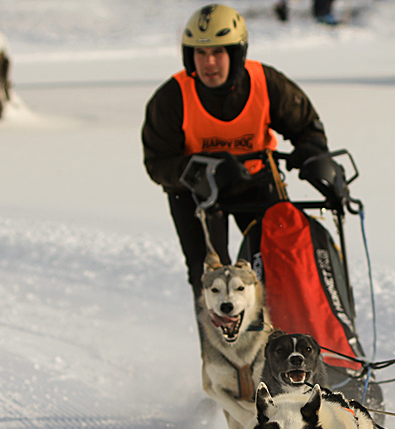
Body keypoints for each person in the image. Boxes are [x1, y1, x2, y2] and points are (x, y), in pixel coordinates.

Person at [141, 3, 330, 299]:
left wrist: (311, 154)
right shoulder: (171, 98)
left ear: (237, 53)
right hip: (194, 194)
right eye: (200, 53)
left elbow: (307, 126)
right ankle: (218, 345)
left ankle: (283, 340)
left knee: (278, 265)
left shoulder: (266, 83)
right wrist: (206, 169)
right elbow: (158, 163)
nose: (209, 63)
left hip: (255, 181)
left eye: (218, 52)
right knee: (210, 278)